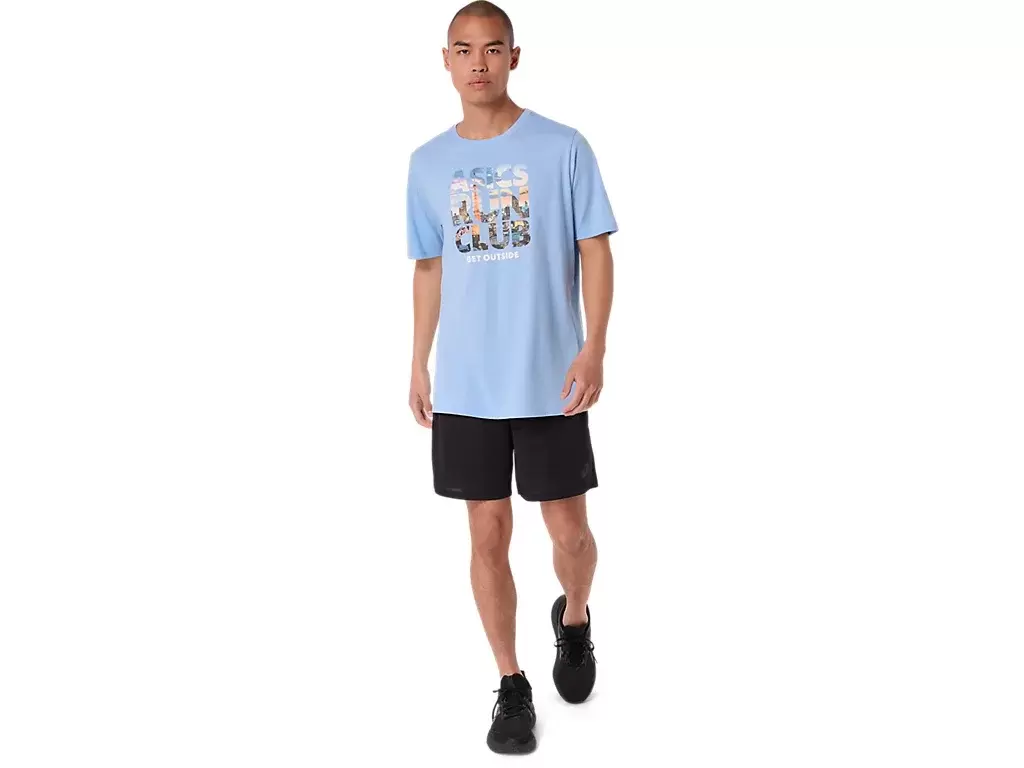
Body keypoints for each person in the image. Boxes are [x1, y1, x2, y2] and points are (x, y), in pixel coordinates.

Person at [405, 1, 617, 755]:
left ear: (514, 57)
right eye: (464, 50)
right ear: (446, 60)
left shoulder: (562, 147)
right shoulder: (427, 163)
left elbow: (596, 249)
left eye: (493, 49)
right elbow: (429, 266)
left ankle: (575, 617)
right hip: (467, 383)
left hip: (550, 379)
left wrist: (593, 349)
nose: (479, 63)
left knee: (569, 532)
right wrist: (418, 359)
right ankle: (511, 682)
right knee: (486, 532)